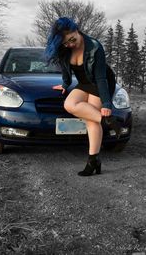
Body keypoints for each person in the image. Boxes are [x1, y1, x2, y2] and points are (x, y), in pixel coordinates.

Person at [45, 17, 119, 176]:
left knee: (90, 119)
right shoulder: (64, 49)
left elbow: (100, 77)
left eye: (72, 39)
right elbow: (66, 70)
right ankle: (107, 121)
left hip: (101, 82)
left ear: (77, 30)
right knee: (69, 104)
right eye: (66, 43)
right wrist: (65, 84)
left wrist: (106, 103)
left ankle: (93, 161)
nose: (70, 44)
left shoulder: (94, 46)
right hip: (84, 83)